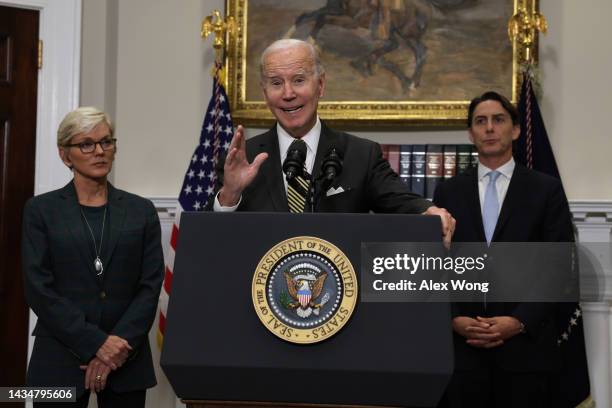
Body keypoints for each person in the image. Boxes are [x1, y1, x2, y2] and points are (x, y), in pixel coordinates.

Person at [209, 38, 455, 243]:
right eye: (276, 83)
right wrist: (230, 194)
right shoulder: (242, 158)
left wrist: (429, 210)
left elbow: (401, 201)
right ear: (265, 94)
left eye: (298, 80)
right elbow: (213, 241)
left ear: (321, 85)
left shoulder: (360, 154)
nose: (288, 94)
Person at [433, 91, 574, 407]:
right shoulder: (448, 191)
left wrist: (518, 321)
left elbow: (560, 266)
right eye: (480, 122)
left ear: (515, 129)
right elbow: (434, 266)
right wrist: (453, 318)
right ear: (471, 134)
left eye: (498, 120)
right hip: (462, 352)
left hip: (526, 352)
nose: (489, 128)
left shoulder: (545, 189)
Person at [22, 107, 164, 407]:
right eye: (86, 144)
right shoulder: (41, 211)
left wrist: (116, 348)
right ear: (65, 155)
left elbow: (149, 286)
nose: (99, 151)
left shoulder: (141, 211)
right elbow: (39, 289)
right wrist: (97, 343)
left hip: (127, 358)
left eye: (106, 142)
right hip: (58, 358)